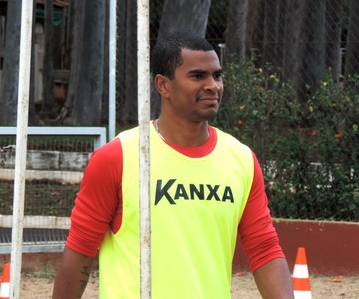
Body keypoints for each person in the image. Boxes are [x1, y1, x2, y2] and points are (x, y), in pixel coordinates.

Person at [52, 32, 294, 299]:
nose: (213, 85)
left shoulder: (241, 159)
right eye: (198, 76)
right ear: (163, 85)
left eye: (217, 75)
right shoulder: (119, 157)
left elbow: (265, 250)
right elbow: (81, 251)